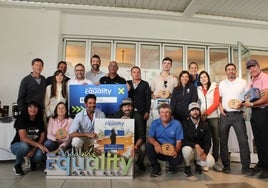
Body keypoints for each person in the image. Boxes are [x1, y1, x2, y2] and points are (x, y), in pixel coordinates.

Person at [218, 63, 253, 176]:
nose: (231, 71)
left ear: (236, 71)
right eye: (228, 69)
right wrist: (221, 107)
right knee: (223, 141)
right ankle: (226, 166)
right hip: (225, 115)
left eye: (233, 69)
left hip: (238, 115)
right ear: (226, 71)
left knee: (243, 141)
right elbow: (219, 99)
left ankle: (246, 167)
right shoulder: (222, 83)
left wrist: (242, 105)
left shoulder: (243, 82)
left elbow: (248, 97)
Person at [243, 59, 268, 179]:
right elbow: (248, 97)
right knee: (258, 140)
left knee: (265, 140)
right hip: (255, 113)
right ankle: (262, 163)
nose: (251, 69)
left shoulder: (265, 78)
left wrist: (252, 104)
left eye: (253, 67)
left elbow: (266, 98)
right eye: (249, 68)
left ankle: (267, 168)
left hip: (264, 112)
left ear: (258, 66)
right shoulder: (251, 81)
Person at [10, 101, 49, 176]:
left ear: (38, 110)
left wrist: (34, 149)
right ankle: (18, 165)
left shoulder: (40, 121)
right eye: (30, 107)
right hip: (18, 146)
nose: (33, 109)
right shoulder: (22, 119)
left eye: (35, 107)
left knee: (40, 155)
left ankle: (32, 161)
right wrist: (38, 145)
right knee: (25, 146)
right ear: (27, 108)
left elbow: (42, 137)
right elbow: (23, 138)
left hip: (33, 146)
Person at [146, 103, 183, 177]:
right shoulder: (154, 123)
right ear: (159, 114)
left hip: (171, 151)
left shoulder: (177, 124)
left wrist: (176, 151)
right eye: (162, 112)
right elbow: (150, 138)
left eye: (167, 112)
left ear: (170, 113)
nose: (164, 115)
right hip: (159, 150)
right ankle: (156, 168)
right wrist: (156, 144)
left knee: (179, 159)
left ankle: (172, 166)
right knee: (149, 146)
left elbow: (179, 141)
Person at [111, 98, 146, 171]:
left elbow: (141, 136)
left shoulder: (138, 117)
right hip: (120, 141)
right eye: (125, 106)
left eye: (129, 106)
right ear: (121, 108)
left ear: (132, 107)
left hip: (135, 141)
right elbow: (111, 132)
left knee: (143, 148)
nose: (127, 108)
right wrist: (120, 123)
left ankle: (140, 163)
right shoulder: (116, 115)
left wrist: (136, 146)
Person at [197, 70, 222, 172]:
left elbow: (216, 103)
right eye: (201, 77)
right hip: (202, 117)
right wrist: (200, 114)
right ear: (199, 79)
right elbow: (197, 102)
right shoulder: (198, 89)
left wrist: (205, 113)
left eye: (205, 77)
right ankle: (204, 161)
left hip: (213, 116)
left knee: (215, 139)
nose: (203, 79)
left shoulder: (214, 87)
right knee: (203, 139)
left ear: (208, 78)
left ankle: (215, 161)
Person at [182, 102, 215, 177]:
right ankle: (187, 166)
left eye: (197, 110)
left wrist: (205, 153)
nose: (195, 112)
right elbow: (184, 140)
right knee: (186, 150)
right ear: (189, 112)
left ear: (199, 112)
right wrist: (196, 145)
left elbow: (208, 142)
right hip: (191, 149)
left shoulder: (205, 125)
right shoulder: (185, 124)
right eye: (192, 110)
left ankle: (198, 165)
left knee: (210, 162)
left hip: (201, 152)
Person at [127, 66, 151, 133]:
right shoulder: (127, 83)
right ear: (131, 74)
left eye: (138, 72)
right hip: (129, 110)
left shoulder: (145, 84)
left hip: (142, 111)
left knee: (141, 129)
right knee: (130, 129)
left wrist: (147, 111)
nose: (136, 74)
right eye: (134, 72)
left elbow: (148, 98)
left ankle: (142, 142)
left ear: (140, 73)